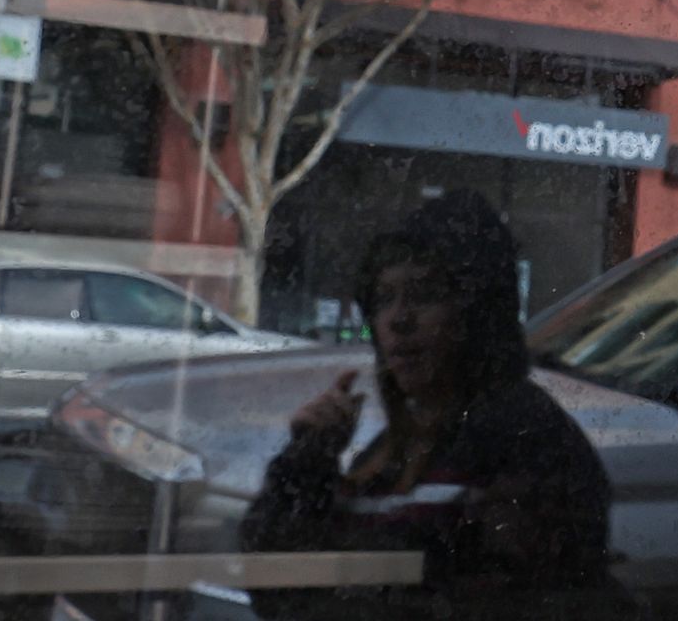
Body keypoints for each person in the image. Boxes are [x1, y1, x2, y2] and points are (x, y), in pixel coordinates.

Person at [241, 192, 617, 620]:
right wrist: (307, 462)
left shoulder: (522, 441)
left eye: (424, 294)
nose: (398, 320)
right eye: (384, 299)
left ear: (475, 312)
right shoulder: (399, 443)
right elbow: (278, 582)